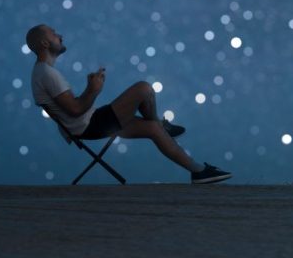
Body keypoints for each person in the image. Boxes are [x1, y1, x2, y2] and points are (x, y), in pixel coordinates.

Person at [25, 24, 231, 184]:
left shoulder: (42, 72)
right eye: (54, 34)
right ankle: (161, 124)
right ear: (44, 43)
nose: (60, 36)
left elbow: (72, 109)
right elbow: (76, 109)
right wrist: (93, 89)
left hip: (90, 124)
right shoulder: (47, 73)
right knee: (143, 88)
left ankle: (198, 172)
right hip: (90, 125)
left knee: (152, 129)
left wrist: (91, 90)